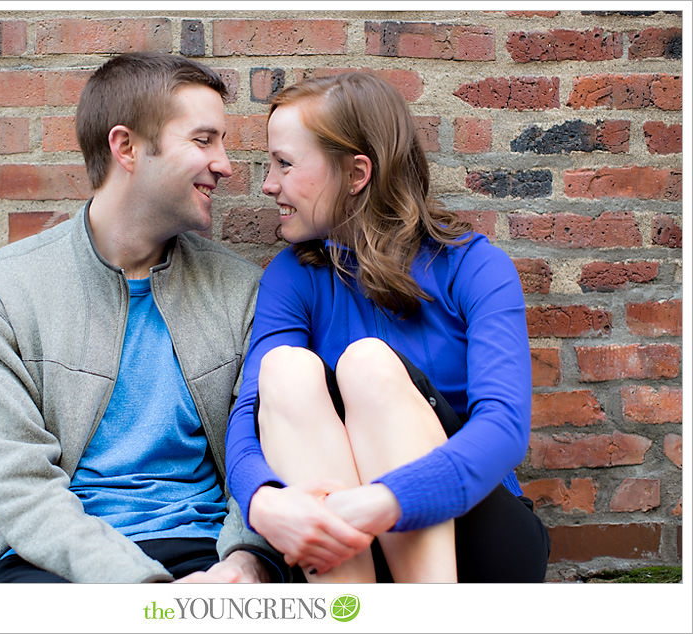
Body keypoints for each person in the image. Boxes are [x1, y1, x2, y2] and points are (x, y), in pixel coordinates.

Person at [0, 52, 287, 583]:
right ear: (126, 147)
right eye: (203, 140)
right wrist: (145, 593)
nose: (225, 163)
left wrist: (247, 560)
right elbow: (21, 488)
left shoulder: (243, 291)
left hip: (208, 551)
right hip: (56, 561)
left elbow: (267, 451)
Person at [225, 72, 551, 583]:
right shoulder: (293, 277)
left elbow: (505, 428)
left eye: (284, 164)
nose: (269, 183)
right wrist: (263, 503)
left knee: (368, 364)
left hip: (473, 536)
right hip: (344, 547)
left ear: (356, 173)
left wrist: (386, 500)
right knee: (282, 370)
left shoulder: (474, 267)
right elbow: (250, 413)